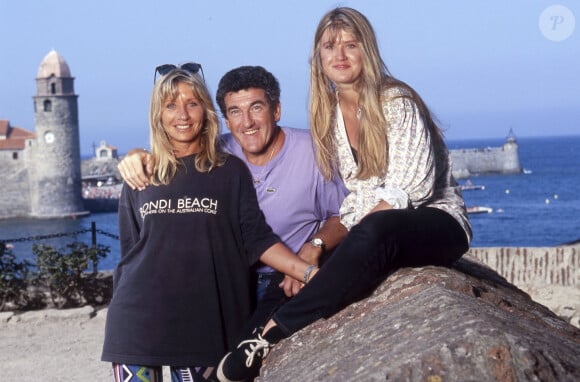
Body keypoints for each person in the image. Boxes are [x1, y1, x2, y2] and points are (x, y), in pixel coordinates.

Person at [216, 7, 473, 382]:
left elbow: (411, 190)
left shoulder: (396, 101)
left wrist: (347, 236)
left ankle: (276, 331)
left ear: (366, 51)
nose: (339, 56)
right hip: (379, 221)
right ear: (318, 59)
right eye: (329, 47)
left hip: (436, 221)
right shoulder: (333, 111)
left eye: (350, 45)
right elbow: (359, 193)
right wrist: (316, 246)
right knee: (297, 261)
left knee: (375, 229)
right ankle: (248, 342)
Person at [101, 64, 318, 382]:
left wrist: (311, 274)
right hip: (136, 324)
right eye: (171, 105)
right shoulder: (141, 175)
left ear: (206, 110)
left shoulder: (230, 171)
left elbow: (256, 239)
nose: (182, 115)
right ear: (158, 115)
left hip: (203, 325)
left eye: (192, 103)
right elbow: (132, 253)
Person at [118, 65, 349, 304]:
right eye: (235, 112)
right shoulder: (217, 154)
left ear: (276, 110)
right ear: (226, 120)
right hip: (229, 281)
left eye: (256, 108)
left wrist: (314, 247)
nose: (247, 122)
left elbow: (347, 213)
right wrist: (138, 155)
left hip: (285, 277)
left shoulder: (312, 152)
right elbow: (176, 156)